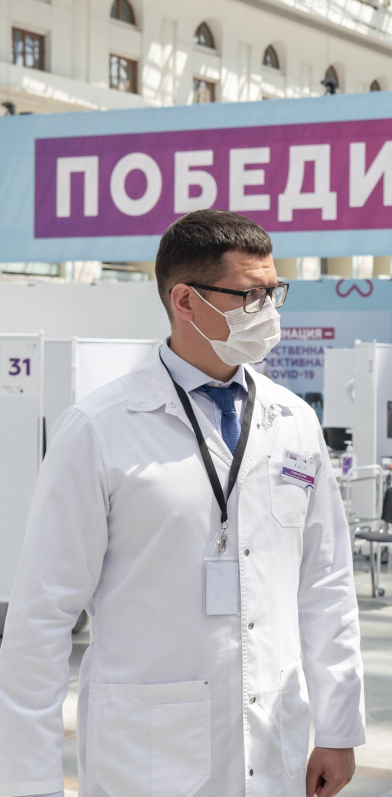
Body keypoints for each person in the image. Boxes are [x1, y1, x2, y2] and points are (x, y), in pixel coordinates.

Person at [0, 209, 366, 797]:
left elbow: (326, 583)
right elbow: (41, 618)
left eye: (273, 293)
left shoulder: (293, 420)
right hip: (146, 755)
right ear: (186, 301)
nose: (268, 311)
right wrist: (31, 782)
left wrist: (339, 727)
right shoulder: (99, 429)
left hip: (274, 743)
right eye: (249, 296)